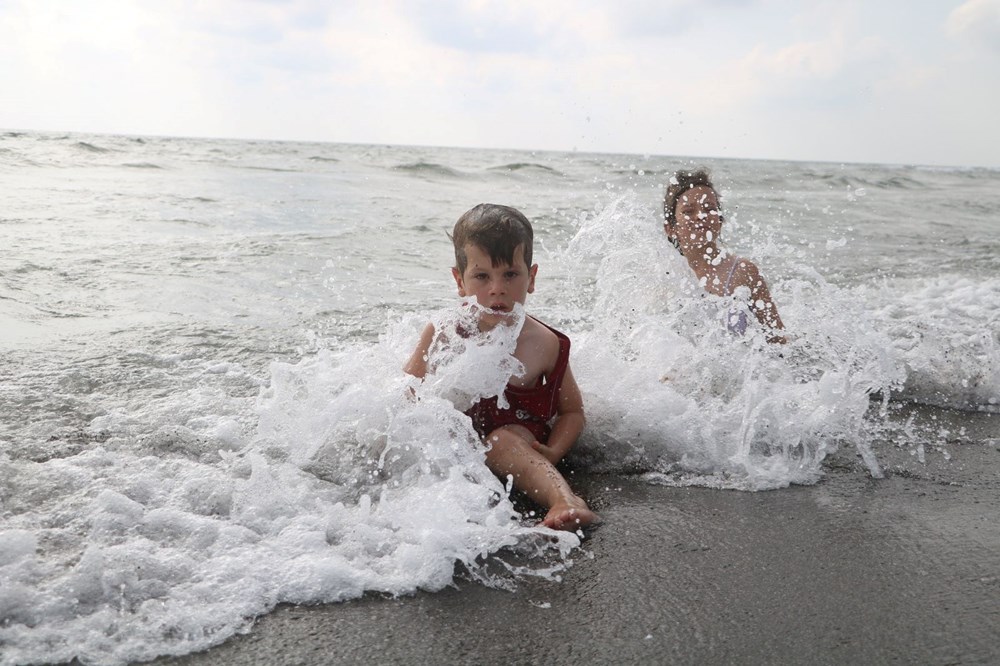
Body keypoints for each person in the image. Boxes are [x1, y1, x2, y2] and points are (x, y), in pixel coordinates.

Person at [404, 203, 598, 532]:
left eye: (510, 274)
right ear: (459, 280)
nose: (497, 288)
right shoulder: (443, 332)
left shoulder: (545, 343)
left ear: (531, 277)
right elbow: (408, 392)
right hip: (463, 442)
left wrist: (553, 451)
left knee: (502, 441)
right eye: (482, 276)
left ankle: (566, 500)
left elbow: (572, 411)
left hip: (519, 440)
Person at [663, 169, 786, 343]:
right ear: (671, 228)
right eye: (689, 211)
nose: (701, 216)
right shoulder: (665, 276)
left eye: (710, 209)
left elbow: (778, 341)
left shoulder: (743, 272)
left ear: (720, 221)